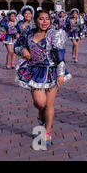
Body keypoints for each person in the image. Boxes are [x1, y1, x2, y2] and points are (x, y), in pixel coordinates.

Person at [14, 9, 72, 147]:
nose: (44, 21)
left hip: (51, 71)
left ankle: (47, 131)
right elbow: (17, 45)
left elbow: (60, 55)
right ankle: (40, 113)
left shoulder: (54, 35)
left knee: (49, 104)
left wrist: (60, 73)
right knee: (40, 103)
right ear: (35, 20)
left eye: (47, 18)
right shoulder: (28, 34)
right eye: (41, 18)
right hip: (35, 71)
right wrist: (23, 50)